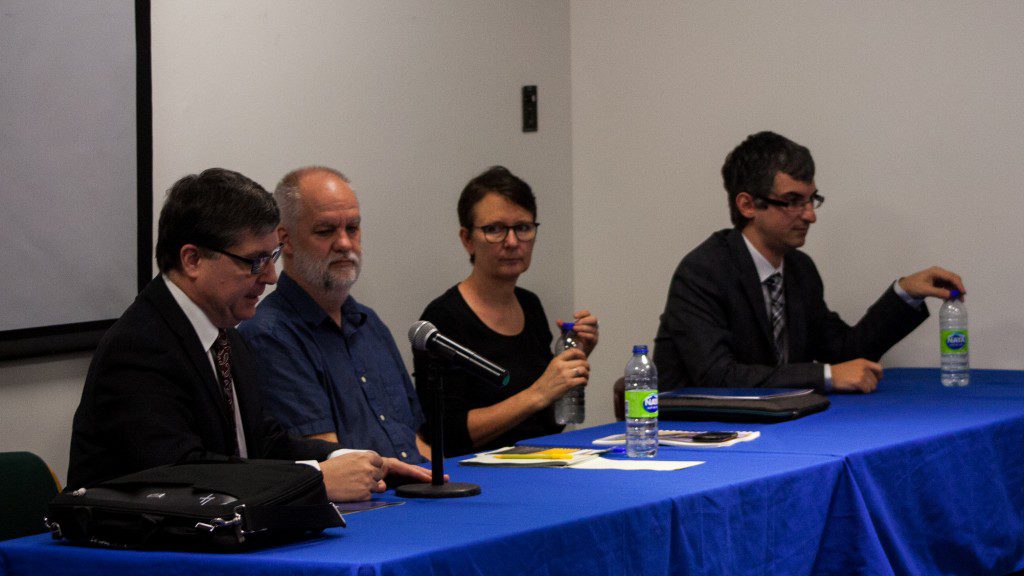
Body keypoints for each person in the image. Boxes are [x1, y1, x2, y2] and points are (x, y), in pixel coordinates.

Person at [68, 168, 431, 500]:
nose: (271, 276)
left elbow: (264, 444)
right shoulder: (140, 347)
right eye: (255, 261)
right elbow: (179, 475)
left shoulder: (227, 337)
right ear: (192, 260)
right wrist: (317, 477)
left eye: (272, 256)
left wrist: (348, 457)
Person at [653, 132, 965, 393]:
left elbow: (844, 353)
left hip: (779, 430)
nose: (810, 215)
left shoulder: (800, 270)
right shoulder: (703, 272)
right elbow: (718, 377)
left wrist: (905, 293)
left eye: (811, 200)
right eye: (792, 202)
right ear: (748, 205)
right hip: (699, 438)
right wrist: (825, 376)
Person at [239, 166, 427, 464]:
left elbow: (416, 439)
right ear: (284, 240)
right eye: (326, 231)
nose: (344, 244)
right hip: (361, 504)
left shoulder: (369, 323)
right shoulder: (269, 335)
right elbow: (327, 462)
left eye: (352, 228)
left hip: (412, 489)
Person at [413, 166, 599, 457]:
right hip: (475, 478)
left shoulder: (530, 305)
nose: (512, 242)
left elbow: (544, 425)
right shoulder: (442, 318)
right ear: (467, 239)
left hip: (539, 462)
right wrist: (539, 392)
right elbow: (446, 434)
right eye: (495, 230)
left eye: (523, 228)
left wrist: (572, 363)